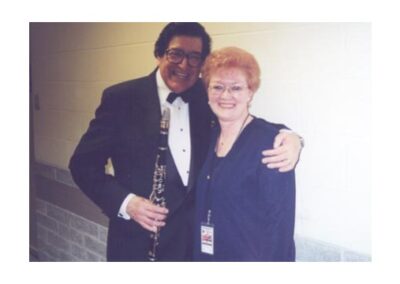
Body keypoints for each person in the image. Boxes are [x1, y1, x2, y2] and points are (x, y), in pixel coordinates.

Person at [69, 23, 301, 261]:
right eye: (175, 54)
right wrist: (126, 203)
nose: (184, 65)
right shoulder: (121, 98)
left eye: (194, 57)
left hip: (193, 250)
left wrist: (292, 137)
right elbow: (82, 165)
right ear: (159, 53)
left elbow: (246, 125)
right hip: (137, 244)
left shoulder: (208, 96)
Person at [193, 47, 296, 261]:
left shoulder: (272, 143)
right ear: (208, 91)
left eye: (236, 88)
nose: (225, 96)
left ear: (250, 92)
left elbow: (279, 227)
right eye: (218, 87)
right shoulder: (208, 137)